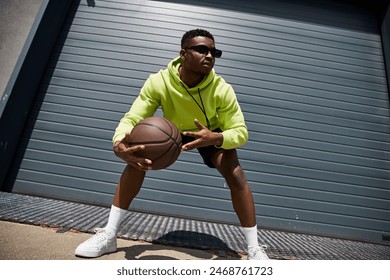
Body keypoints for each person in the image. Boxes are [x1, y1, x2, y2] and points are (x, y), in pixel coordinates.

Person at [75, 29, 269, 260]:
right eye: (202, 49)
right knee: (137, 157)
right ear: (183, 54)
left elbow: (241, 132)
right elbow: (133, 118)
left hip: (209, 133)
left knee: (234, 170)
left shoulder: (221, 89)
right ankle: (109, 235)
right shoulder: (158, 81)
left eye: (214, 51)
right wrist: (119, 142)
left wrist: (217, 138)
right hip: (170, 131)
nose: (210, 55)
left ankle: (254, 248)